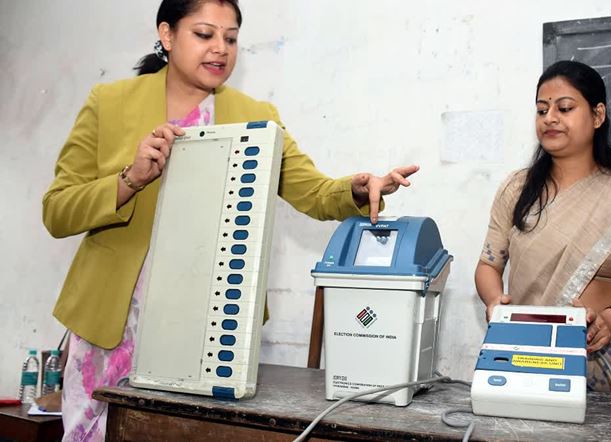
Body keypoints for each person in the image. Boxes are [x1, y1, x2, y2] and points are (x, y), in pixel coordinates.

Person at [41, 1, 417, 440]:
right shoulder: (109, 103)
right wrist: (130, 179)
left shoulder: (256, 116)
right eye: (204, 34)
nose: (220, 48)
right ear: (167, 35)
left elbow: (312, 192)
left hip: (211, 328)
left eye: (231, 38)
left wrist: (358, 188)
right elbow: (57, 210)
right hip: (111, 324)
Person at [475, 60, 611, 441]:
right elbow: (488, 266)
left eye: (564, 108)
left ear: (597, 115)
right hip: (521, 356)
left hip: (598, 362)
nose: (550, 118)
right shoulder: (516, 190)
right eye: (542, 110)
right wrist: (495, 302)